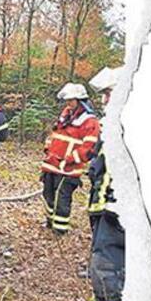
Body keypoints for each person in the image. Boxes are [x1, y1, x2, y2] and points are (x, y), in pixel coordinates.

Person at [86, 67, 124, 301]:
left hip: (120, 213)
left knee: (109, 268)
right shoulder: (116, 123)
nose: (104, 100)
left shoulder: (137, 125)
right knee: (101, 264)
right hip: (105, 208)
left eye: (109, 93)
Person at [41, 83, 100, 234]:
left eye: (71, 100)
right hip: (52, 163)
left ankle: (60, 230)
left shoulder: (90, 121)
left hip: (68, 168)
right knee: (48, 193)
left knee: (62, 198)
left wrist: (71, 158)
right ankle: (50, 221)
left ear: (80, 100)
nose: (68, 103)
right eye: (67, 100)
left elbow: (89, 147)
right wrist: (48, 148)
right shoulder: (66, 114)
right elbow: (56, 134)